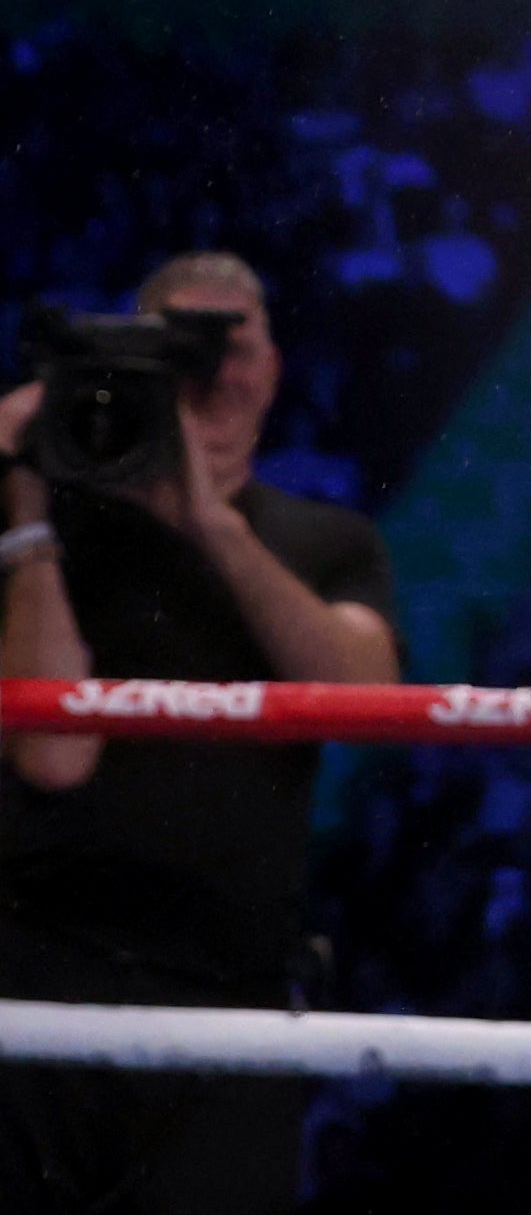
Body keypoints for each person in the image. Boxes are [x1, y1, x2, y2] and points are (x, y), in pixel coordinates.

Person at [0, 254, 403, 1215]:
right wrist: (25, 507)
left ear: (270, 366)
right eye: (177, 345)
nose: (209, 368)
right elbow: (54, 753)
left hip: (231, 992)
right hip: (36, 973)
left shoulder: (324, 541)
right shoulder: (48, 534)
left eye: (232, 341)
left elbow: (368, 697)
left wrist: (213, 525)